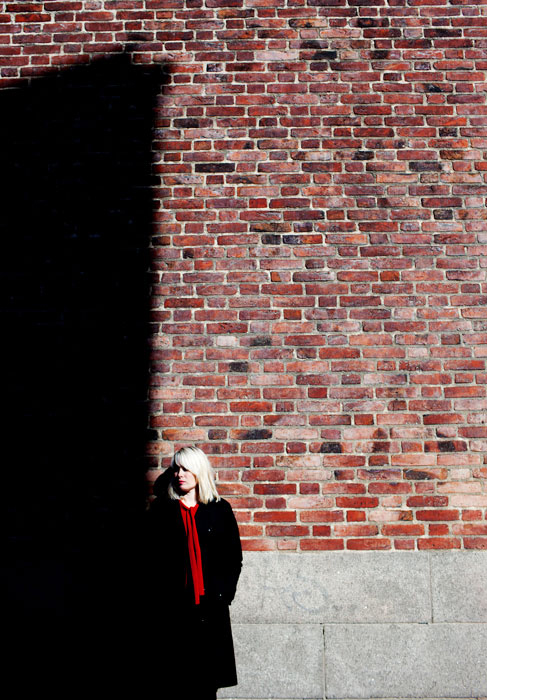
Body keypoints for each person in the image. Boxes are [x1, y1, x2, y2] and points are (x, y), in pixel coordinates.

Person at [147, 446, 243, 699]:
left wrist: (223, 596)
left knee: (206, 684)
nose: (179, 474)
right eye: (176, 468)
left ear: (199, 471)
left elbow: (233, 559)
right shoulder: (161, 511)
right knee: (173, 683)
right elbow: (148, 561)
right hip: (172, 612)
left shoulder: (219, 510)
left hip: (209, 610)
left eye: (186, 468)